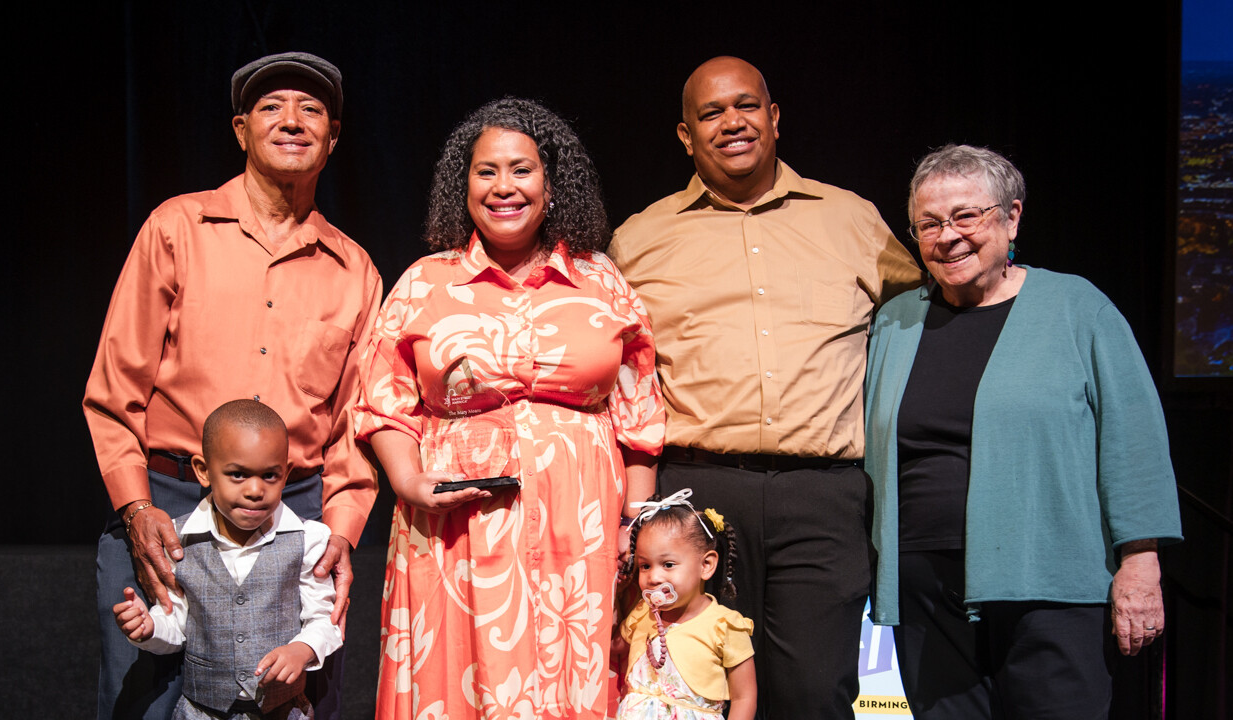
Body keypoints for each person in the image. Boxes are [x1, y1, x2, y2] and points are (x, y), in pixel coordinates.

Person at [608, 56, 922, 718]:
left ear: (774, 117)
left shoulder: (852, 221)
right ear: (686, 136)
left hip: (824, 494)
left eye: (746, 105)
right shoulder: (639, 241)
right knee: (694, 691)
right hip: (697, 495)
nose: (732, 123)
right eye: (711, 113)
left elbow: (927, 316)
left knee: (814, 691)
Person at [84, 51, 380, 720]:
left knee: (293, 700)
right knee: (145, 703)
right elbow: (115, 387)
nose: (293, 121)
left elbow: (356, 421)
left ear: (333, 139)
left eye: (312, 110)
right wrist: (136, 510)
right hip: (167, 500)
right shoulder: (176, 230)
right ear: (241, 130)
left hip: (292, 514)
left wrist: (341, 531)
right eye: (272, 107)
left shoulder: (355, 270)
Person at [354, 97, 666, 719]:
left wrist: (637, 516)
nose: (504, 187)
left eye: (522, 170)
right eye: (486, 171)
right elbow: (383, 399)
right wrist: (408, 480)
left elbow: (640, 410)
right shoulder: (425, 282)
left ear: (552, 183)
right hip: (454, 526)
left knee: (577, 673)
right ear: (462, 184)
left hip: (584, 522)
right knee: (460, 676)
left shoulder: (601, 280)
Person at [864, 144, 1183, 719]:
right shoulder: (896, 321)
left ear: (1011, 217)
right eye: (929, 223)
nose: (948, 236)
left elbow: (1133, 441)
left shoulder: (1076, 308)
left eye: (966, 216)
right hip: (926, 590)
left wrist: (1140, 561)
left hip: (1051, 582)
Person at [113, 400, 340, 720]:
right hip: (202, 711)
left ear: (286, 474)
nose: (255, 490)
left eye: (269, 475)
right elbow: (177, 624)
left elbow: (324, 618)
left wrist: (302, 650)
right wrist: (149, 627)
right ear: (203, 471)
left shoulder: (307, 540)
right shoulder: (180, 541)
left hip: (281, 711)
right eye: (237, 475)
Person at [617, 489, 756, 720]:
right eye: (645, 566)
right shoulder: (643, 613)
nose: (654, 577)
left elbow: (745, 696)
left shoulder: (725, 625)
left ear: (706, 565)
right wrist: (617, 596)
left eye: (668, 564)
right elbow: (613, 646)